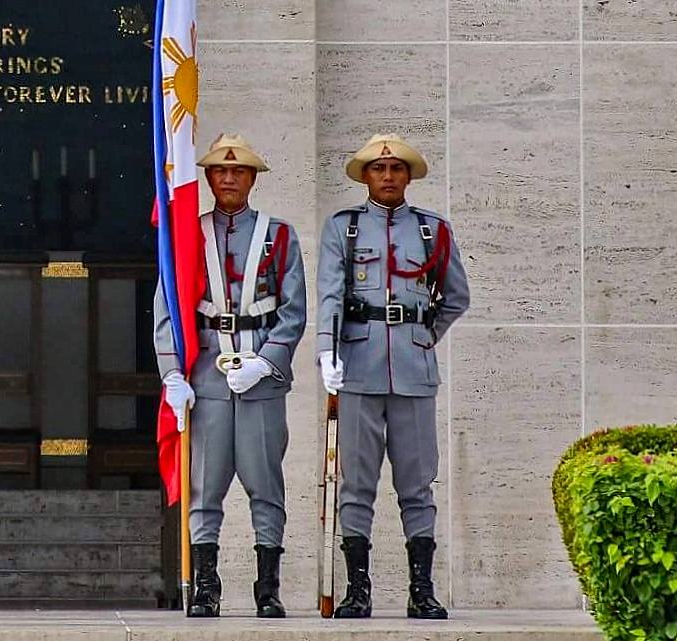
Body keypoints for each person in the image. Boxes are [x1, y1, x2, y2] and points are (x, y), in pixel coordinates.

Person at [316, 133, 470, 619]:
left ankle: (421, 591)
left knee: (417, 484)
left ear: (408, 176)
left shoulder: (432, 231)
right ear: (366, 176)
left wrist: (423, 336)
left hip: (413, 372)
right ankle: (357, 591)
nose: (387, 176)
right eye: (379, 169)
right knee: (355, 484)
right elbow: (329, 296)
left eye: (396, 169)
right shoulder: (344, 229)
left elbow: (456, 297)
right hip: (358, 368)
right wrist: (327, 352)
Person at [154, 133, 307, 618]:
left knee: (266, 486)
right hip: (208, 378)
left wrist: (267, 360)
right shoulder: (187, 237)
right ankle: (205, 586)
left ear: (252, 178)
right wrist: (172, 374)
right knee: (205, 487)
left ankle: (267, 587)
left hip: (260, 376)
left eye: (238, 172)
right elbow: (168, 307)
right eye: (220, 171)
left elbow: (294, 309)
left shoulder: (279, 235)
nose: (228, 179)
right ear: (207, 177)